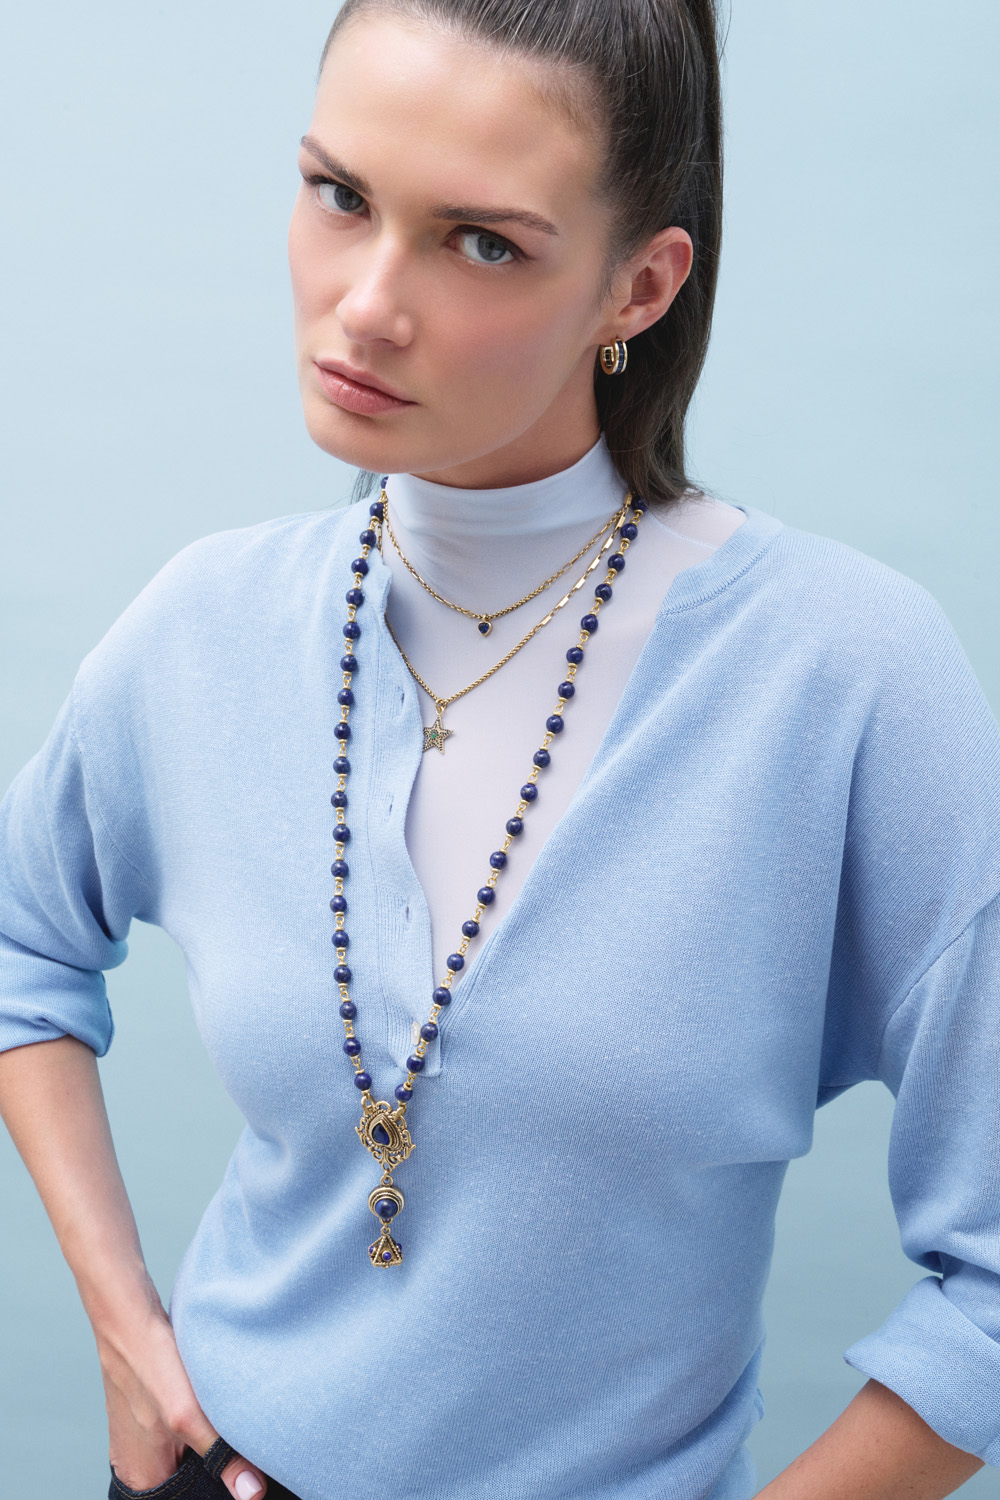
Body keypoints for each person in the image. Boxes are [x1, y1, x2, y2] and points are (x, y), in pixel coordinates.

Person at [1, 1, 998, 1497]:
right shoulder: (207, 627)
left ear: (639, 287)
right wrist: (125, 1334)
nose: (364, 307)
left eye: (482, 243)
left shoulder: (845, 677)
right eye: (339, 195)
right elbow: (22, 940)